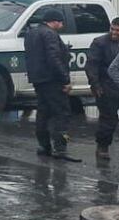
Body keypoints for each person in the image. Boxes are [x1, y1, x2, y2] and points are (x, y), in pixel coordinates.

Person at [25, 8, 79, 162]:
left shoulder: (31, 33)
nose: (62, 25)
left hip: (38, 80)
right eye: (61, 22)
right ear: (54, 21)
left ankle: (44, 146)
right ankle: (60, 149)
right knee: (61, 113)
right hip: (52, 80)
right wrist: (65, 79)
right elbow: (53, 58)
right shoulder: (50, 34)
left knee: (43, 112)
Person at [87, 18, 119, 160]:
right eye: (112, 29)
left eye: (117, 30)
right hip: (106, 86)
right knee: (108, 119)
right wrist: (95, 85)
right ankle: (102, 146)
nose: (114, 32)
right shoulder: (100, 43)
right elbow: (91, 65)